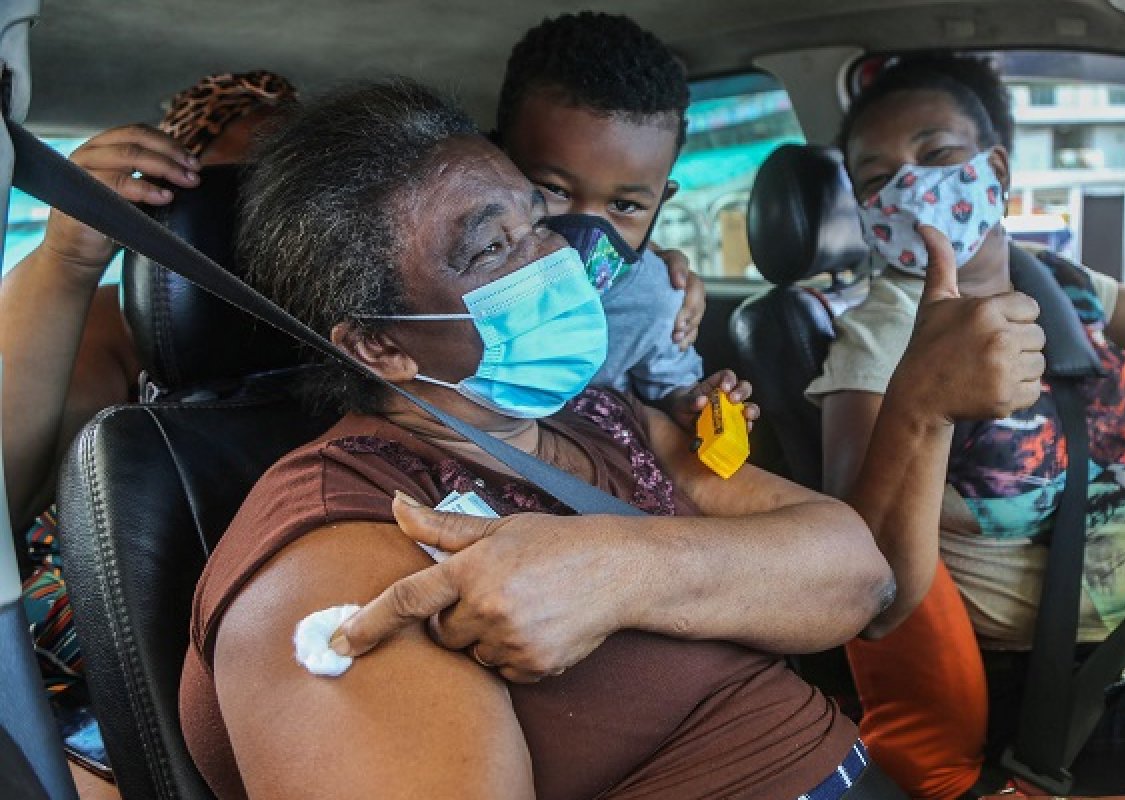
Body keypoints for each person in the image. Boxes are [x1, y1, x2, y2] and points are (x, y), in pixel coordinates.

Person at [178, 79, 1047, 799]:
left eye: (535, 218)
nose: (554, 258)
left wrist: (615, 571)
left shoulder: (599, 417)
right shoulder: (345, 545)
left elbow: (857, 575)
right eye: (491, 251)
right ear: (380, 345)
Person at [807, 54, 1125, 798]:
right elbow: (860, 573)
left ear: (994, 169)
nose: (910, 188)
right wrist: (924, 400)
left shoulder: (1062, 283)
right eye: (877, 177)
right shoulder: (882, 335)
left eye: (937, 155)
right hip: (1087, 675)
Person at [0, 70, 296, 702]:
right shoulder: (96, 328)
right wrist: (68, 261)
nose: (256, 230)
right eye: (223, 202)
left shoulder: (374, 342)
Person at [496, 11, 749, 427]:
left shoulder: (656, 296)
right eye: (555, 190)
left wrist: (691, 406)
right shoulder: (450, 282)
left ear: (660, 205)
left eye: (626, 206)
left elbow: (668, 388)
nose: (583, 238)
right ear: (495, 160)